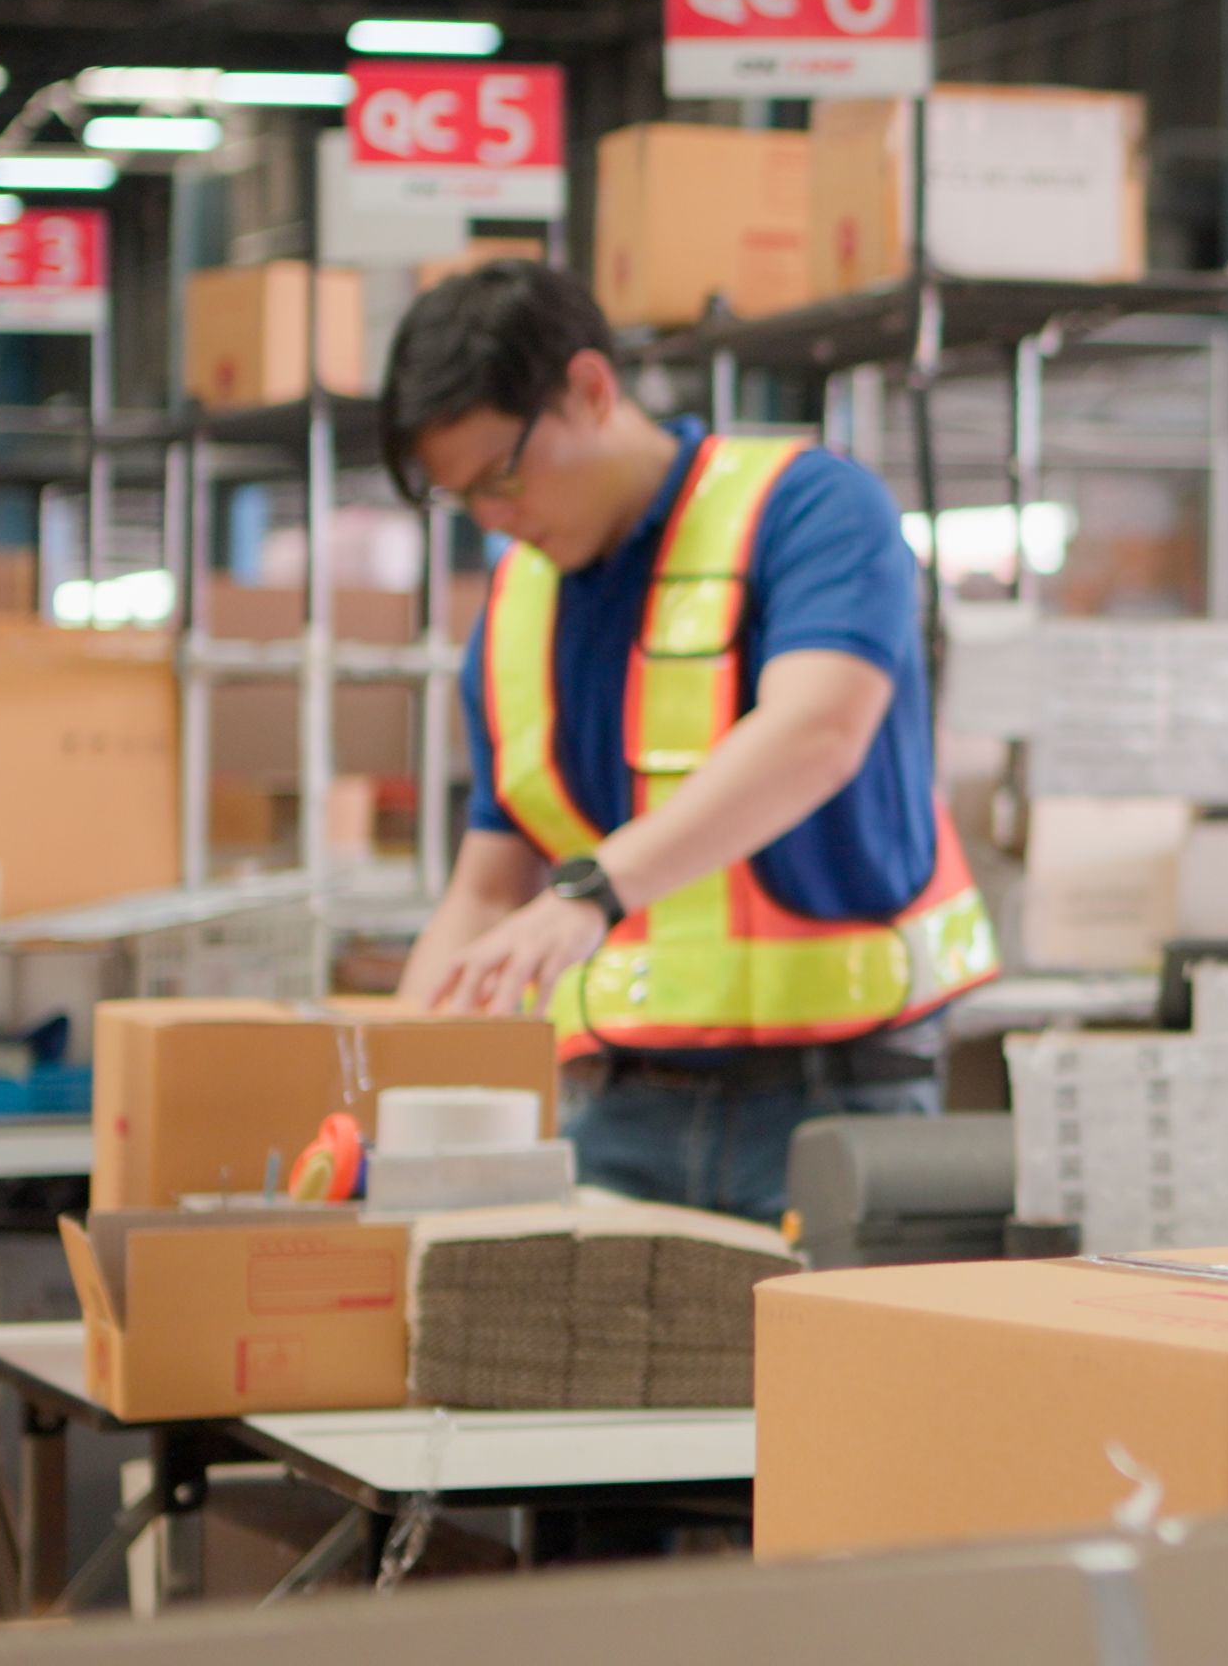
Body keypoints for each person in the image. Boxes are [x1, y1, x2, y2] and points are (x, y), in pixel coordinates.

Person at [384, 260, 997, 1222]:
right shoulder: (519, 610)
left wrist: (590, 893)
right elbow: (486, 890)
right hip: (616, 1116)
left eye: (502, 476)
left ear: (590, 390)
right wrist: (382, 1104)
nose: (495, 520)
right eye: (464, 501)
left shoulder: (810, 511)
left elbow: (818, 732)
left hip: (838, 1104)